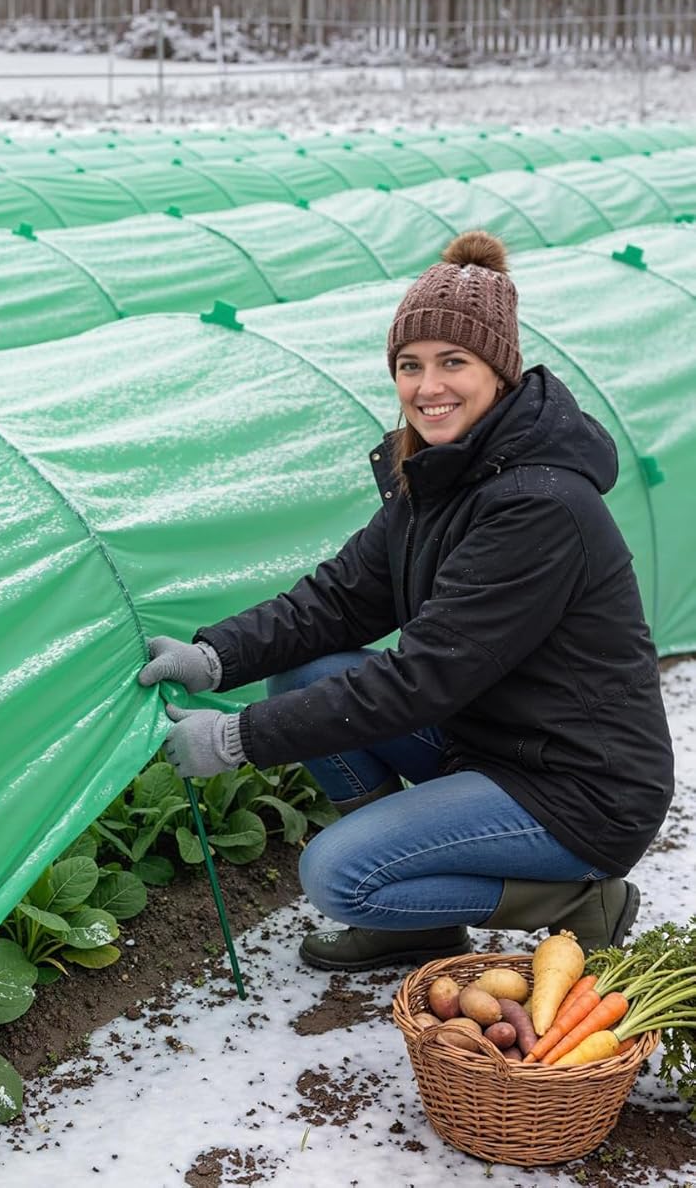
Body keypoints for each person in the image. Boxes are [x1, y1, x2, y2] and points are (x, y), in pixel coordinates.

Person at [139, 230, 674, 971]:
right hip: (491, 742)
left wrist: (237, 740)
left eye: (454, 362)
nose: (428, 387)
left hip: (579, 789)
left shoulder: (539, 506)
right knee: (307, 672)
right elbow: (339, 601)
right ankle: (413, 924)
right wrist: (215, 656)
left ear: (501, 372)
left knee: (337, 873)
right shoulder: (440, 471)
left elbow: (421, 679)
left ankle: (579, 903)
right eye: (409, 366)